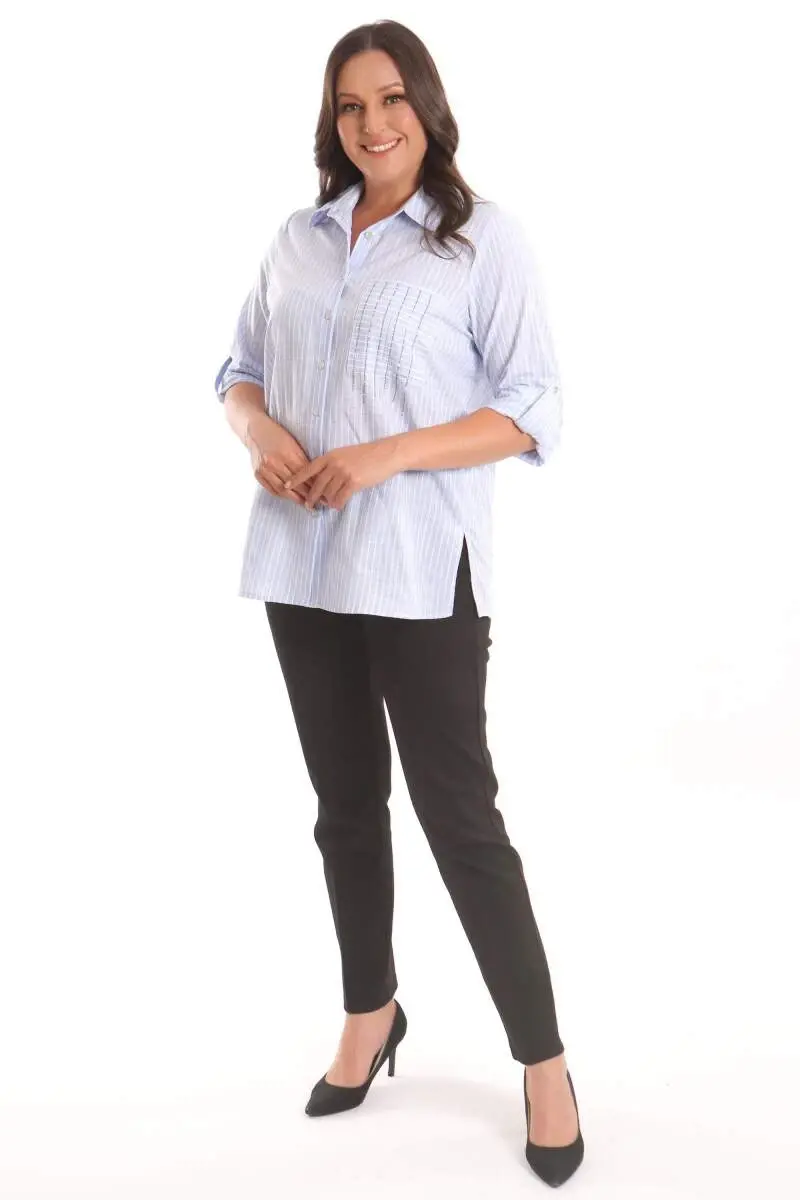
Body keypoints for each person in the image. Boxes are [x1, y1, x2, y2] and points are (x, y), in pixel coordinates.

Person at [214, 19, 584, 1187]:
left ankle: (542, 1062)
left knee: (460, 820)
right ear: (330, 122)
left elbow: (530, 409)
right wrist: (260, 434)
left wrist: (385, 454)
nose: (371, 124)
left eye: (389, 99)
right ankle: (369, 1011)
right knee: (343, 807)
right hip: (302, 566)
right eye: (349, 105)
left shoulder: (478, 242)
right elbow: (235, 373)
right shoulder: (298, 240)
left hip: (421, 572)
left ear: (425, 105)